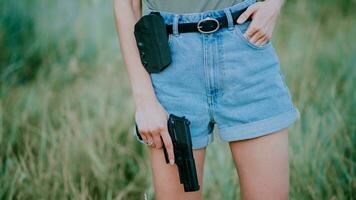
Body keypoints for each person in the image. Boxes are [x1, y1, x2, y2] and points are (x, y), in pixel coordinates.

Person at [113, 0, 300, 199]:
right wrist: (145, 102)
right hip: (170, 64)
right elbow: (127, 4)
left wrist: (274, 5)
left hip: (245, 46)